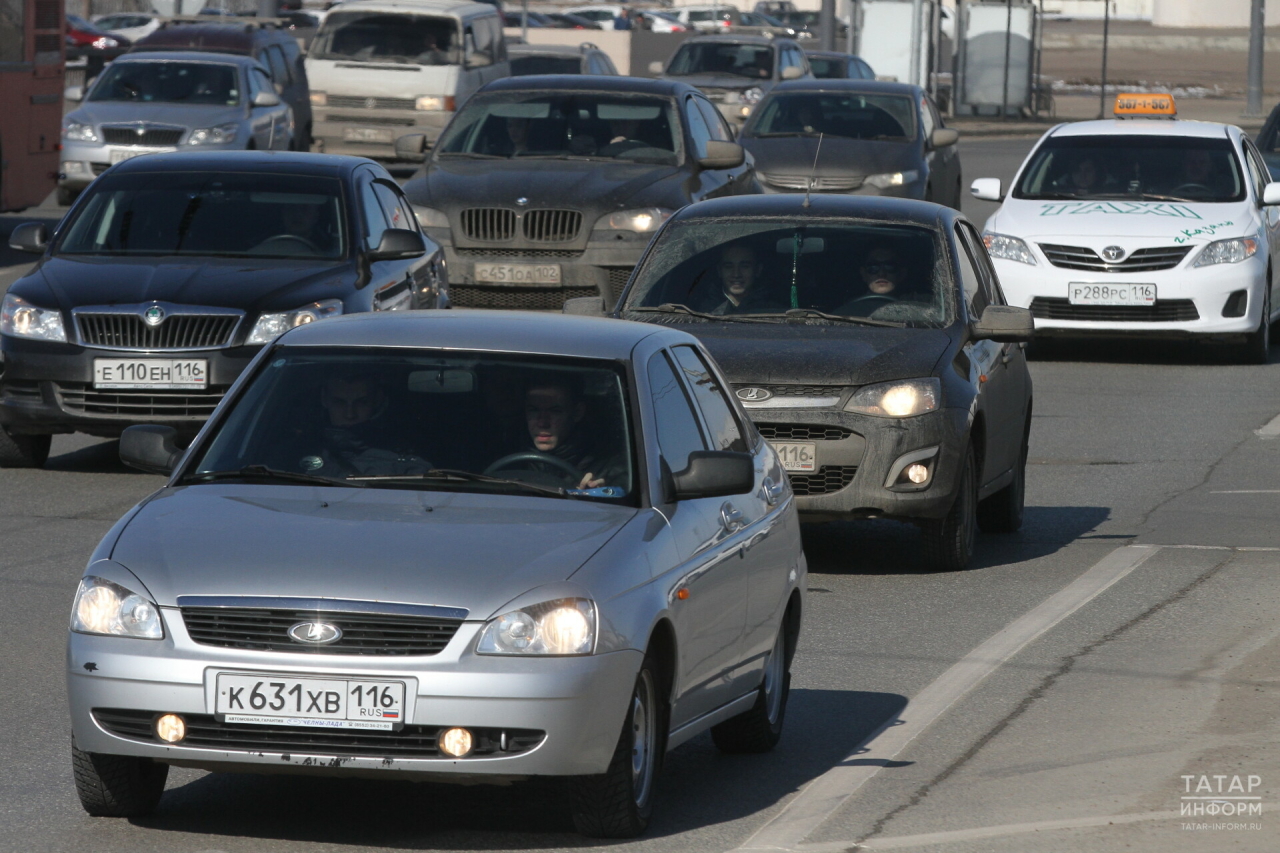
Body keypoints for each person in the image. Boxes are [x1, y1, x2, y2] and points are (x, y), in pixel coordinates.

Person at [297, 371, 432, 477]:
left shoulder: (405, 460)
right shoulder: (293, 451)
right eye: (339, 402)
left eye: (361, 403)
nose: (350, 414)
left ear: (377, 400)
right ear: (324, 399)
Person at [521, 380, 622, 490]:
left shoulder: (608, 467)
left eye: (555, 411)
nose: (542, 423)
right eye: (534, 410)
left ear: (577, 413)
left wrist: (602, 494)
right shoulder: (507, 454)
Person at [710, 242, 777, 314]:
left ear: (757, 270)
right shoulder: (701, 311)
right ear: (719, 270)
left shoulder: (775, 312)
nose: (736, 274)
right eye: (729, 267)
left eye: (744, 266)